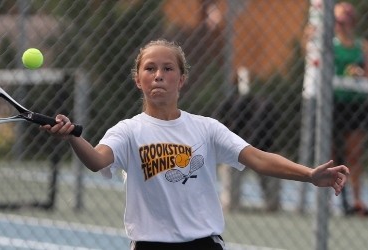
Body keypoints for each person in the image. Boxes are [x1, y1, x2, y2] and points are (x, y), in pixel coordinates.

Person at [41, 39, 349, 250]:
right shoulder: (128, 131)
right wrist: (72, 136)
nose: (158, 75)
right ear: (138, 79)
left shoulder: (206, 128)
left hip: (203, 243)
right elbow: (97, 160)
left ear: (181, 80)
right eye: (150, 69)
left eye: (167, 69)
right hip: (150, 244)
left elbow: (257, 158)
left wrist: (308, 174)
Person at [332, 2, 368, 216]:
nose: (341, 25)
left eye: (344, 21)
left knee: (354, 154)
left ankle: (356, 200)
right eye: (338, 21)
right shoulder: (330, 45)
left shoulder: (361, 46)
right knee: (333, 155)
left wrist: (359, 72)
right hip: (335, 103)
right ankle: (333, 199)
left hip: (354, 105)